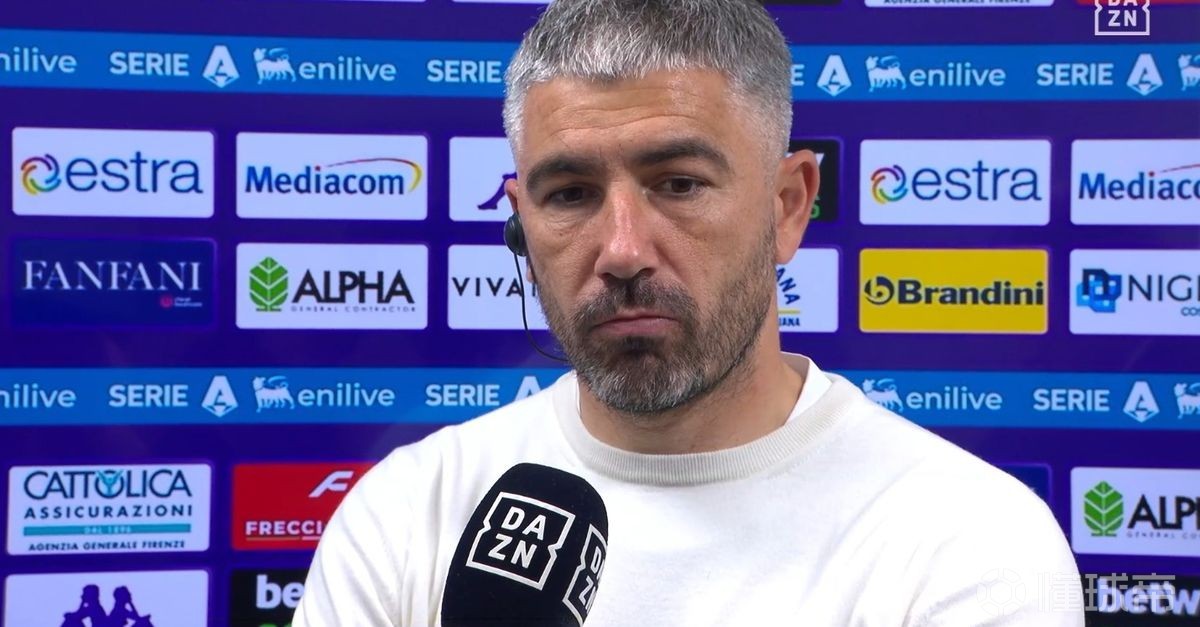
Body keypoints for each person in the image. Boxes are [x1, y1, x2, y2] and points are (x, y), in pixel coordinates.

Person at [295, 1, 1083, 625]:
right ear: (521, 225)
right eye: (570, 194)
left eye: (678, 184)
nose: (622, 250)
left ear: (788, 206)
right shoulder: (406, 515)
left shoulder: (969, 540)